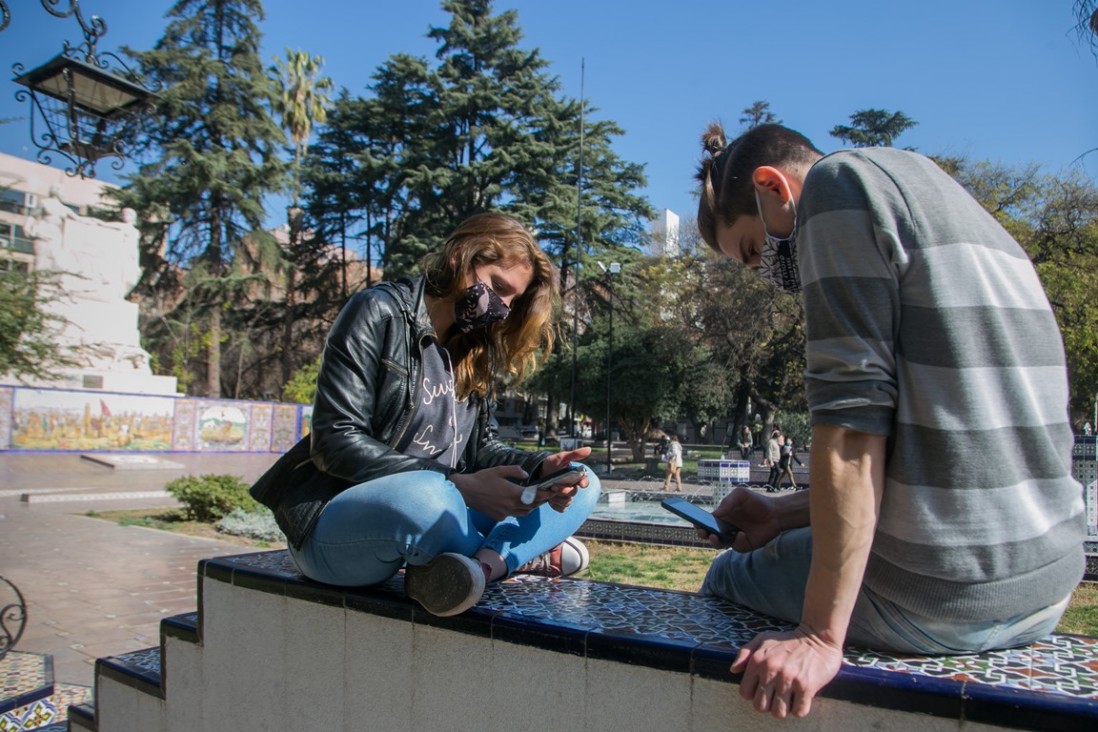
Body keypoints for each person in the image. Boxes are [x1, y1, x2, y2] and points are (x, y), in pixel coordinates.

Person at [692, 122, 1084, 719]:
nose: (766, 276)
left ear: (774, 188)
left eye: (752, 251)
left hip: (944, 599)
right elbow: (947, 446)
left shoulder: (834, 189)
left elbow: (851, 429)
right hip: (1049, 585)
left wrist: (820, 637)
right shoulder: (936, 193)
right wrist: (785, 511)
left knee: (728, 577)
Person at [249, 212, 601, 617]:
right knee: (429, 496)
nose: (502, 308)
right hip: (339, 524)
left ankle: (476, 570)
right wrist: (459, 485)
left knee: (585, 482)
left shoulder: (473, 350)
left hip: (445, 514)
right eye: (498, 287)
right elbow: (334, 441)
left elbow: (480, 449)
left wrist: (540, 468)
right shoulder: (378, 312)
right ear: (460, 257)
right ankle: (512, 557)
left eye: (512, 300)